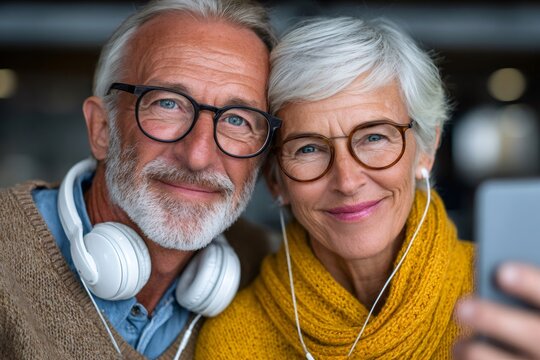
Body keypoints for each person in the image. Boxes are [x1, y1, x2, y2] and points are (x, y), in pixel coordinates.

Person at [0, 0, 281, 359]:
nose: (198, 156)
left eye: (238, 120)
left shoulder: (267, 272)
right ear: (102, 129)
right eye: (168, 104)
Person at [196, 16, 475, 359]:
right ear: (274, 179)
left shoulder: (511, 296)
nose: (347, 181)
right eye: (308, 149)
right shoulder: (233, 340)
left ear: (427, 149)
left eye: (374, 137)